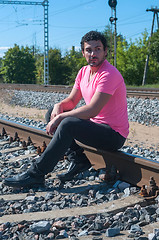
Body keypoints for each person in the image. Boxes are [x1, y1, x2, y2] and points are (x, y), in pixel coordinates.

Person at [4, 30, 129, 188]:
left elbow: (92, 110)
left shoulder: (109, 74)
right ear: (83, 52)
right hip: (96, 127)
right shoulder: (83, 72)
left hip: (113, 134)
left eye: (98, 49)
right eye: (89, 50)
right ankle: (79, 160)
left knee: (67, 123)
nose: (93, 53)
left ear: (105, 52)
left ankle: (36, 174)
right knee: (52, 113)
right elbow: (71, 101)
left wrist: (61, 117)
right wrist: (59, 107)